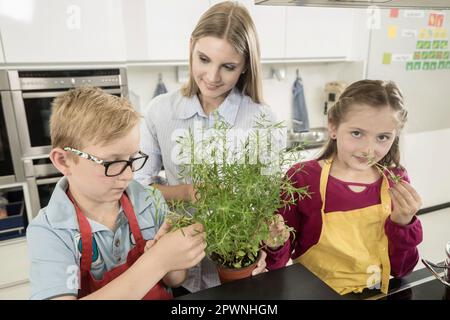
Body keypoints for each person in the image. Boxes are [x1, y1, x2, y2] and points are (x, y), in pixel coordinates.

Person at [135, 1, 271, 293]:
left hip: (238, 268)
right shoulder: (160, 111)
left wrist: (266, 252)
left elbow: (267, 202)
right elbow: (135, 190)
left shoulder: (261, 119)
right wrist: (186, 192)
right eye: (204, 59)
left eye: (228, 67)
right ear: (191, 47)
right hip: (176, 272)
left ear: (246, 65)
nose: (212, 76)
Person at [26, 87, 206, 300]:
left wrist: (175, 258)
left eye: (132, 159)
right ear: (63, 161)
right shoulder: (50, 232)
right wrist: (158, 261)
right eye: (112, 163)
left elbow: (175, 281)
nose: (129, 175)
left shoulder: (149, 200)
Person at [264, 80, 423, 295]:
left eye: (382, 137)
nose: (368, 149)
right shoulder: (303, 178)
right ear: (333, 126)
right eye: (357, 133)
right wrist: (274, 243)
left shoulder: (395, 181)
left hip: (375, 293)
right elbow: (276, 267)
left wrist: (404, 223)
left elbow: (402, 270)